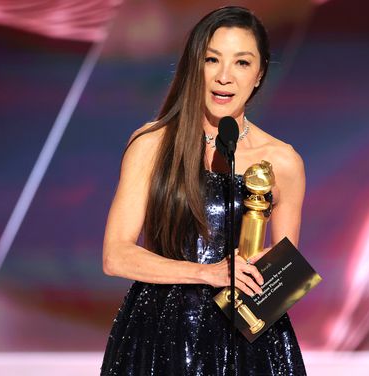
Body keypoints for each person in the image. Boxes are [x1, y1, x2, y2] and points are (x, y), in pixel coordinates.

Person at [101, 6, 306, 376]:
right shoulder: (152, 144)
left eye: (242, 63)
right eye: (213, 59)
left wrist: (260, 274)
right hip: (160, 335)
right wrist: (207, 273)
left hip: (247, 342)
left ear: (259, 74)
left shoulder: (283, 161)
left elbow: (283, 270)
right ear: (195, 65)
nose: (225, 77)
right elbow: (116, 256)